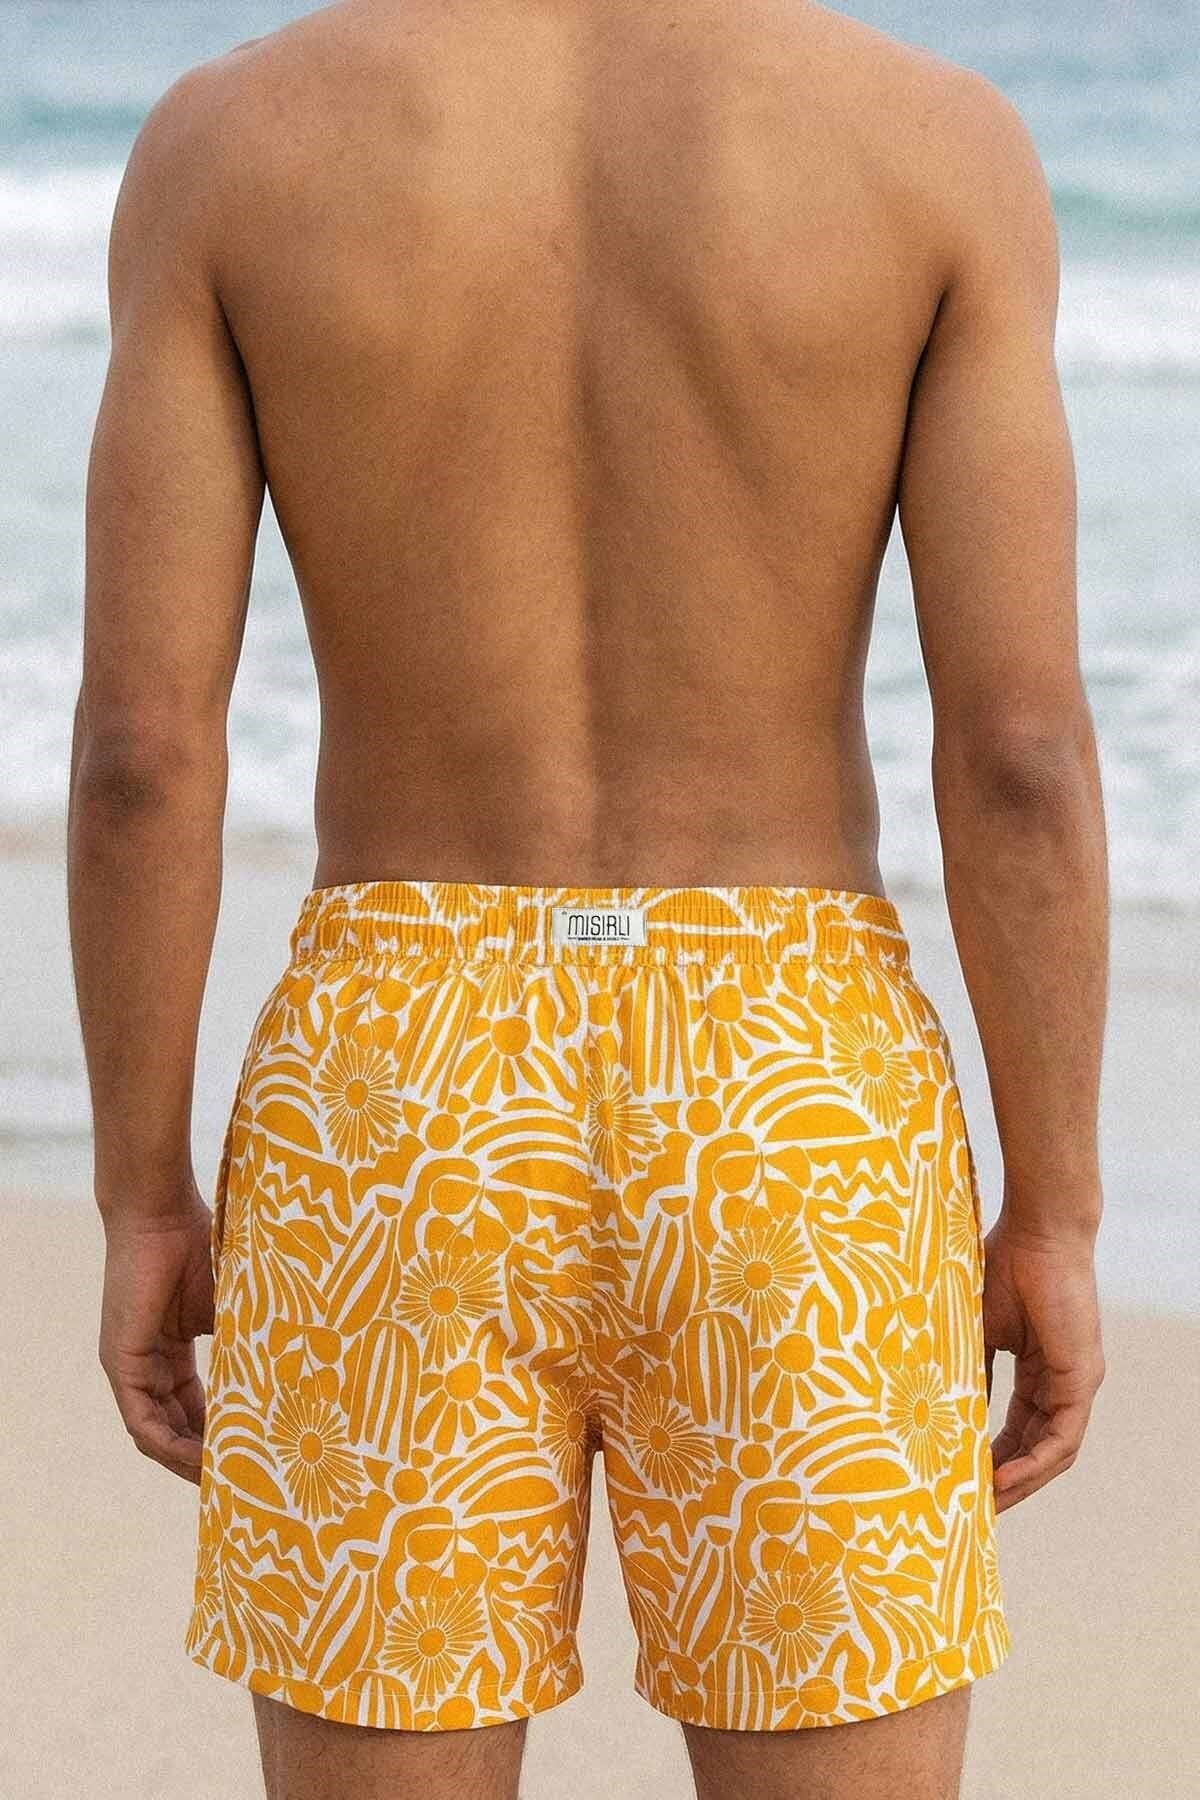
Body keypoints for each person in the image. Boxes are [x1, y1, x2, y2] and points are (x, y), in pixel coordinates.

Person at [67, 2, 1108, 1796]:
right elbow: (1017, 751)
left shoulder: (231, 146)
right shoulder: (933, 145)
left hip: (399, 1088)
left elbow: (142, 755)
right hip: (793, 1090)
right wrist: (1060, 1209)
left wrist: (142, 1192)